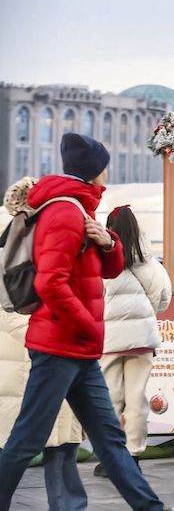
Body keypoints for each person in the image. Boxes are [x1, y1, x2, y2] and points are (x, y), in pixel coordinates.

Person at [0, 133, 165, 510]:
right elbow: (50, 283)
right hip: (59, 347)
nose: (109, 171)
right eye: (105, 165)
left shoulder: (80, 209)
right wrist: (88, 327)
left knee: (110, 441)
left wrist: (108, 242)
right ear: (95, 170)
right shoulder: (64, 211)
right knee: (27, 441)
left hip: (78, 349)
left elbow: (108, 270)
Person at [0, 178, 87, 511]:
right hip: (26, 354)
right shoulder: (10, 237)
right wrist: (43, 330)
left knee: (60, 444)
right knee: (17, 444)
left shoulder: (53, 230)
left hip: (51, 348)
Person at [96, 205, 172, 476]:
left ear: (109, 229)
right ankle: (134, 455)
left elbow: (93, 297)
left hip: (109, 341)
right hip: (142, 340)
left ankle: (111, 458)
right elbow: (163, 299)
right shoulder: (150, 262)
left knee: (110, 398)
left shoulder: (101, 260)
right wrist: (143, 313)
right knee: (136, 399)